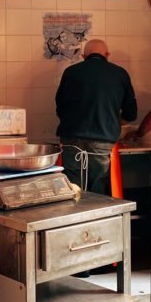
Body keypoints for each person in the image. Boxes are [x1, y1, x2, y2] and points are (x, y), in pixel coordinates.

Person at [55, 38, 137, 193]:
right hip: (103, 143)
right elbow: (131, 114)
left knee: (73, 190)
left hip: (71, 142)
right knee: (99, 193)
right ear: (107, 55)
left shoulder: (70, 72)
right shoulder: (120, 74)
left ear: (84, 56)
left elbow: (60, 107)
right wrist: (113, 121)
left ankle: (75, 217)